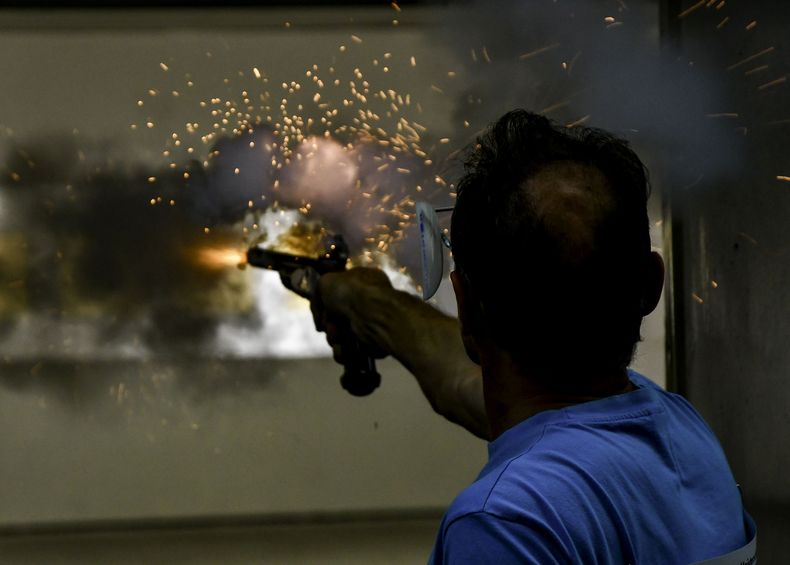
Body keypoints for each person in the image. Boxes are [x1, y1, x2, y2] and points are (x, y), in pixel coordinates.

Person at [311, 110, 751, 563]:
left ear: (465, 304)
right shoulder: (682, 432)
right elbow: (467, 386)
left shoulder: (506, 524)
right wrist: (375, 305)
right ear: (650, 286)